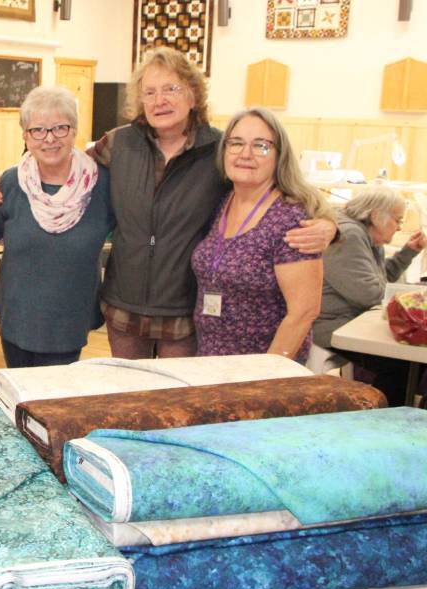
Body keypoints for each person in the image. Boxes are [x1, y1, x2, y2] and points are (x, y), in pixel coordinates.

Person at [84, 47, 334, 359]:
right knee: (127, 402)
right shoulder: (118, 144)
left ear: (192, 95)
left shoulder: (221, 149)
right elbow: (63, 168)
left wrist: (329, 224)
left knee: (179, 402)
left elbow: (289, 187)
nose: (160, 100)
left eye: (171, 89)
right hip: (124, 306)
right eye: (150, 92)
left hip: (187, 311)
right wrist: (7, 179)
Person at [0, 86, 113, 368]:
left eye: (60, 128)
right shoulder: (10, 184)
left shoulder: (102, 186)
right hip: (17, 321)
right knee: (21, 404)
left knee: (55, 407)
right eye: (38, 130)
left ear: (74, 130)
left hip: (70, 323)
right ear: (25, 136)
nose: (49, 139)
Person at [190, 107, 330, 361]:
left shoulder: (291, 219)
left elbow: (304, 312)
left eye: (261, 146)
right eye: (236, 143)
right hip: (210, 360)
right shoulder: (224, 201)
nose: (245, 154)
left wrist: (266, 373)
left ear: (279, 155)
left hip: (262, 370)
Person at [314, 188, 425, 405]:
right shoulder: (349, 235)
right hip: (329, 325)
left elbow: (380, 281)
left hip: (349, 320)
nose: (400, 227)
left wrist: (408, 251)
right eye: (397, 220)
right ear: (375, 215)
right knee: (402, 364)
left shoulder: (367, 235)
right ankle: (386, 417)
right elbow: (370, 294)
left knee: (409, 362)